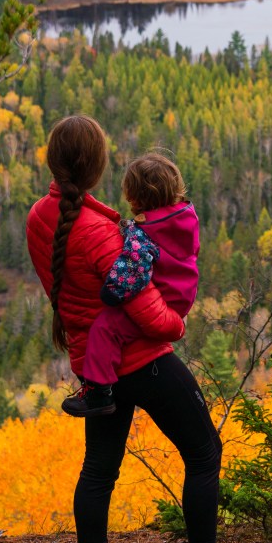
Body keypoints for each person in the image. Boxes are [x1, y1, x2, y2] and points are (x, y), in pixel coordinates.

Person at [26, 115, 222, 543]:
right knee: (204, 452)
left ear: (56, 163)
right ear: (97, 166)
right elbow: (146, 311)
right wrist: (177, 324)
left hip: (95, 367)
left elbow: (68, 291)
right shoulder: (99, 231)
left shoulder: (40, 217)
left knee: (98, 472)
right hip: (142, 361)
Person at [62, 152, 200, 417]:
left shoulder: (144, 234)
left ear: (135, 197)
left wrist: (112, 292)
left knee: (104, 328)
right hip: (183, 296)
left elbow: (132, 270)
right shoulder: (186, 216)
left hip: (165, 298)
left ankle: (99, 393)